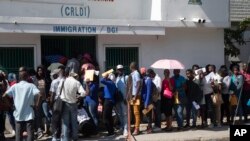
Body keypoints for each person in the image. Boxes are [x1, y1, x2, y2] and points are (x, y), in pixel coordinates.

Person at [3, 66, 42, 141]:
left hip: (18, 114)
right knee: (30, 134)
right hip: (29, 114)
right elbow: (40, 95)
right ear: (27, 77)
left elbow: (4, 96)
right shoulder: (31, 86)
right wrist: (36, 106)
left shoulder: (15, 86)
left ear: (19, 77)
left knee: (18, 135)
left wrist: (10, 105)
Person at [59, 69, 87, 141]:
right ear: (75, 76)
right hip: (74, 104)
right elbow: (83, 93)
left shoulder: (63, 81)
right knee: (74, 121)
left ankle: (65, 139)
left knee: (65, 122)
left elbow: (58, 92)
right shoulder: (76, 82)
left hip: (65, 103)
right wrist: (78, 97)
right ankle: (75, 137)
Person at [115, 64, 128, 137]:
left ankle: (126, 129)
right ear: (117, 70)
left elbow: (129, 89)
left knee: (125, 114)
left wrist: (127, 98)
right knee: (120, 114)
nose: (120, 71)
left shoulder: (126, 77)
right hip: (118, 100)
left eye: (121, 69)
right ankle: (122, 127)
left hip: (124, 99)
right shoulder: (116, 78)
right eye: (119, 70)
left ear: (123, 70)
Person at [129, 62, 141, 135]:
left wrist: (135, 96)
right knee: (133, 112)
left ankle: (137, 128)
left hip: (136, 96)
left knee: (136, 113)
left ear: (131, 67)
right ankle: (135, 127)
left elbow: (139, 84)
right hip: (132, 95)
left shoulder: (136, 73)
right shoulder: (133, 74)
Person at [0, 71, 8, 140]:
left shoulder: (4, 83)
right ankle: (2, 134)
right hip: (2, 106)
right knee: (2, 120)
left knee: (2, 120)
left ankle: (2, 134)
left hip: (2, 106)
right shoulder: (3, 83)